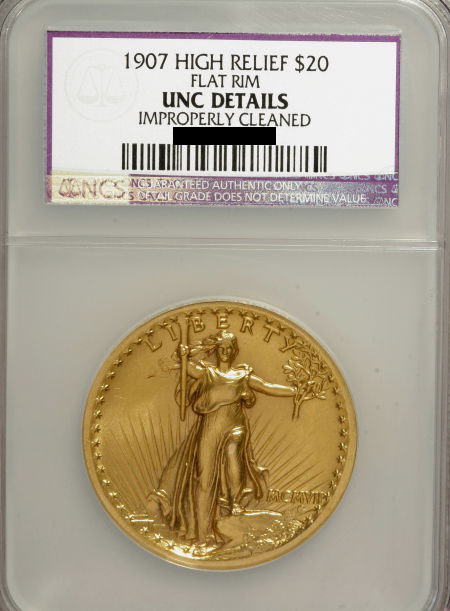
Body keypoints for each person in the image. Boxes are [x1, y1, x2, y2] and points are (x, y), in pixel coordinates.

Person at [149, 330, 296, 546]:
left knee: (233, 459)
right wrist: (183, 354)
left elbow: (268, 387)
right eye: (222, 348)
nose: (225, 352)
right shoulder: (207, 373)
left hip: (235, 427)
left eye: (229, 348)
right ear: (217, 350)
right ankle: (202, 533)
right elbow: (185, 365)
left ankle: (234, 502)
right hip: (210, 428)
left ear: (234, 351)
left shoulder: (242, 375)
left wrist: (295, 391)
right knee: (204, 478)